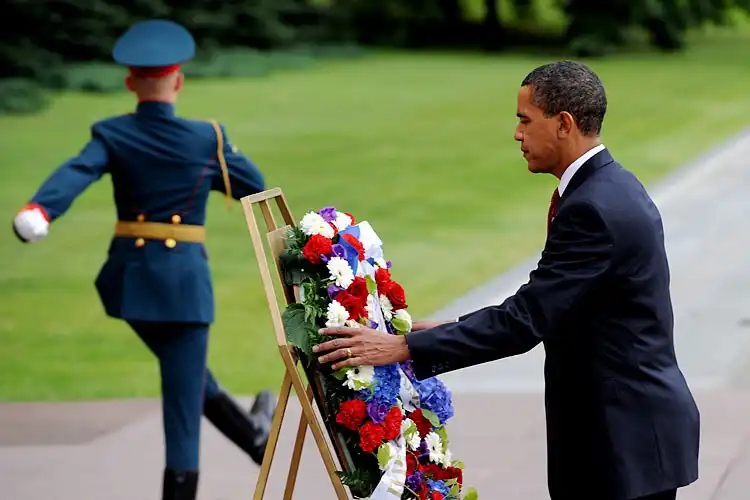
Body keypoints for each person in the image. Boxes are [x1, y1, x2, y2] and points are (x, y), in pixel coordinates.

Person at [312, 61, 700, 500]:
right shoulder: (608, 187)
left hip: (622, 440)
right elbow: (550, 301)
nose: (517, 134)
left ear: (564, 123)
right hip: (627, 435)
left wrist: (403, 347)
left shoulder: (593, 208)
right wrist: (449, 329)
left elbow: (526, 319)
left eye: (525, 120)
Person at [12, 19, 277, 500]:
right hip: (183, 289)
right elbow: (255, 187)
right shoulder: (207, 138)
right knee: (182, 409)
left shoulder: (113, 134)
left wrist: (40, 211)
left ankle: (254, 437)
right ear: (178, 81)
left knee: (186, 374)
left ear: (130, 82)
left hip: (130, 284)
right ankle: (244, 446)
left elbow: (76, 172)